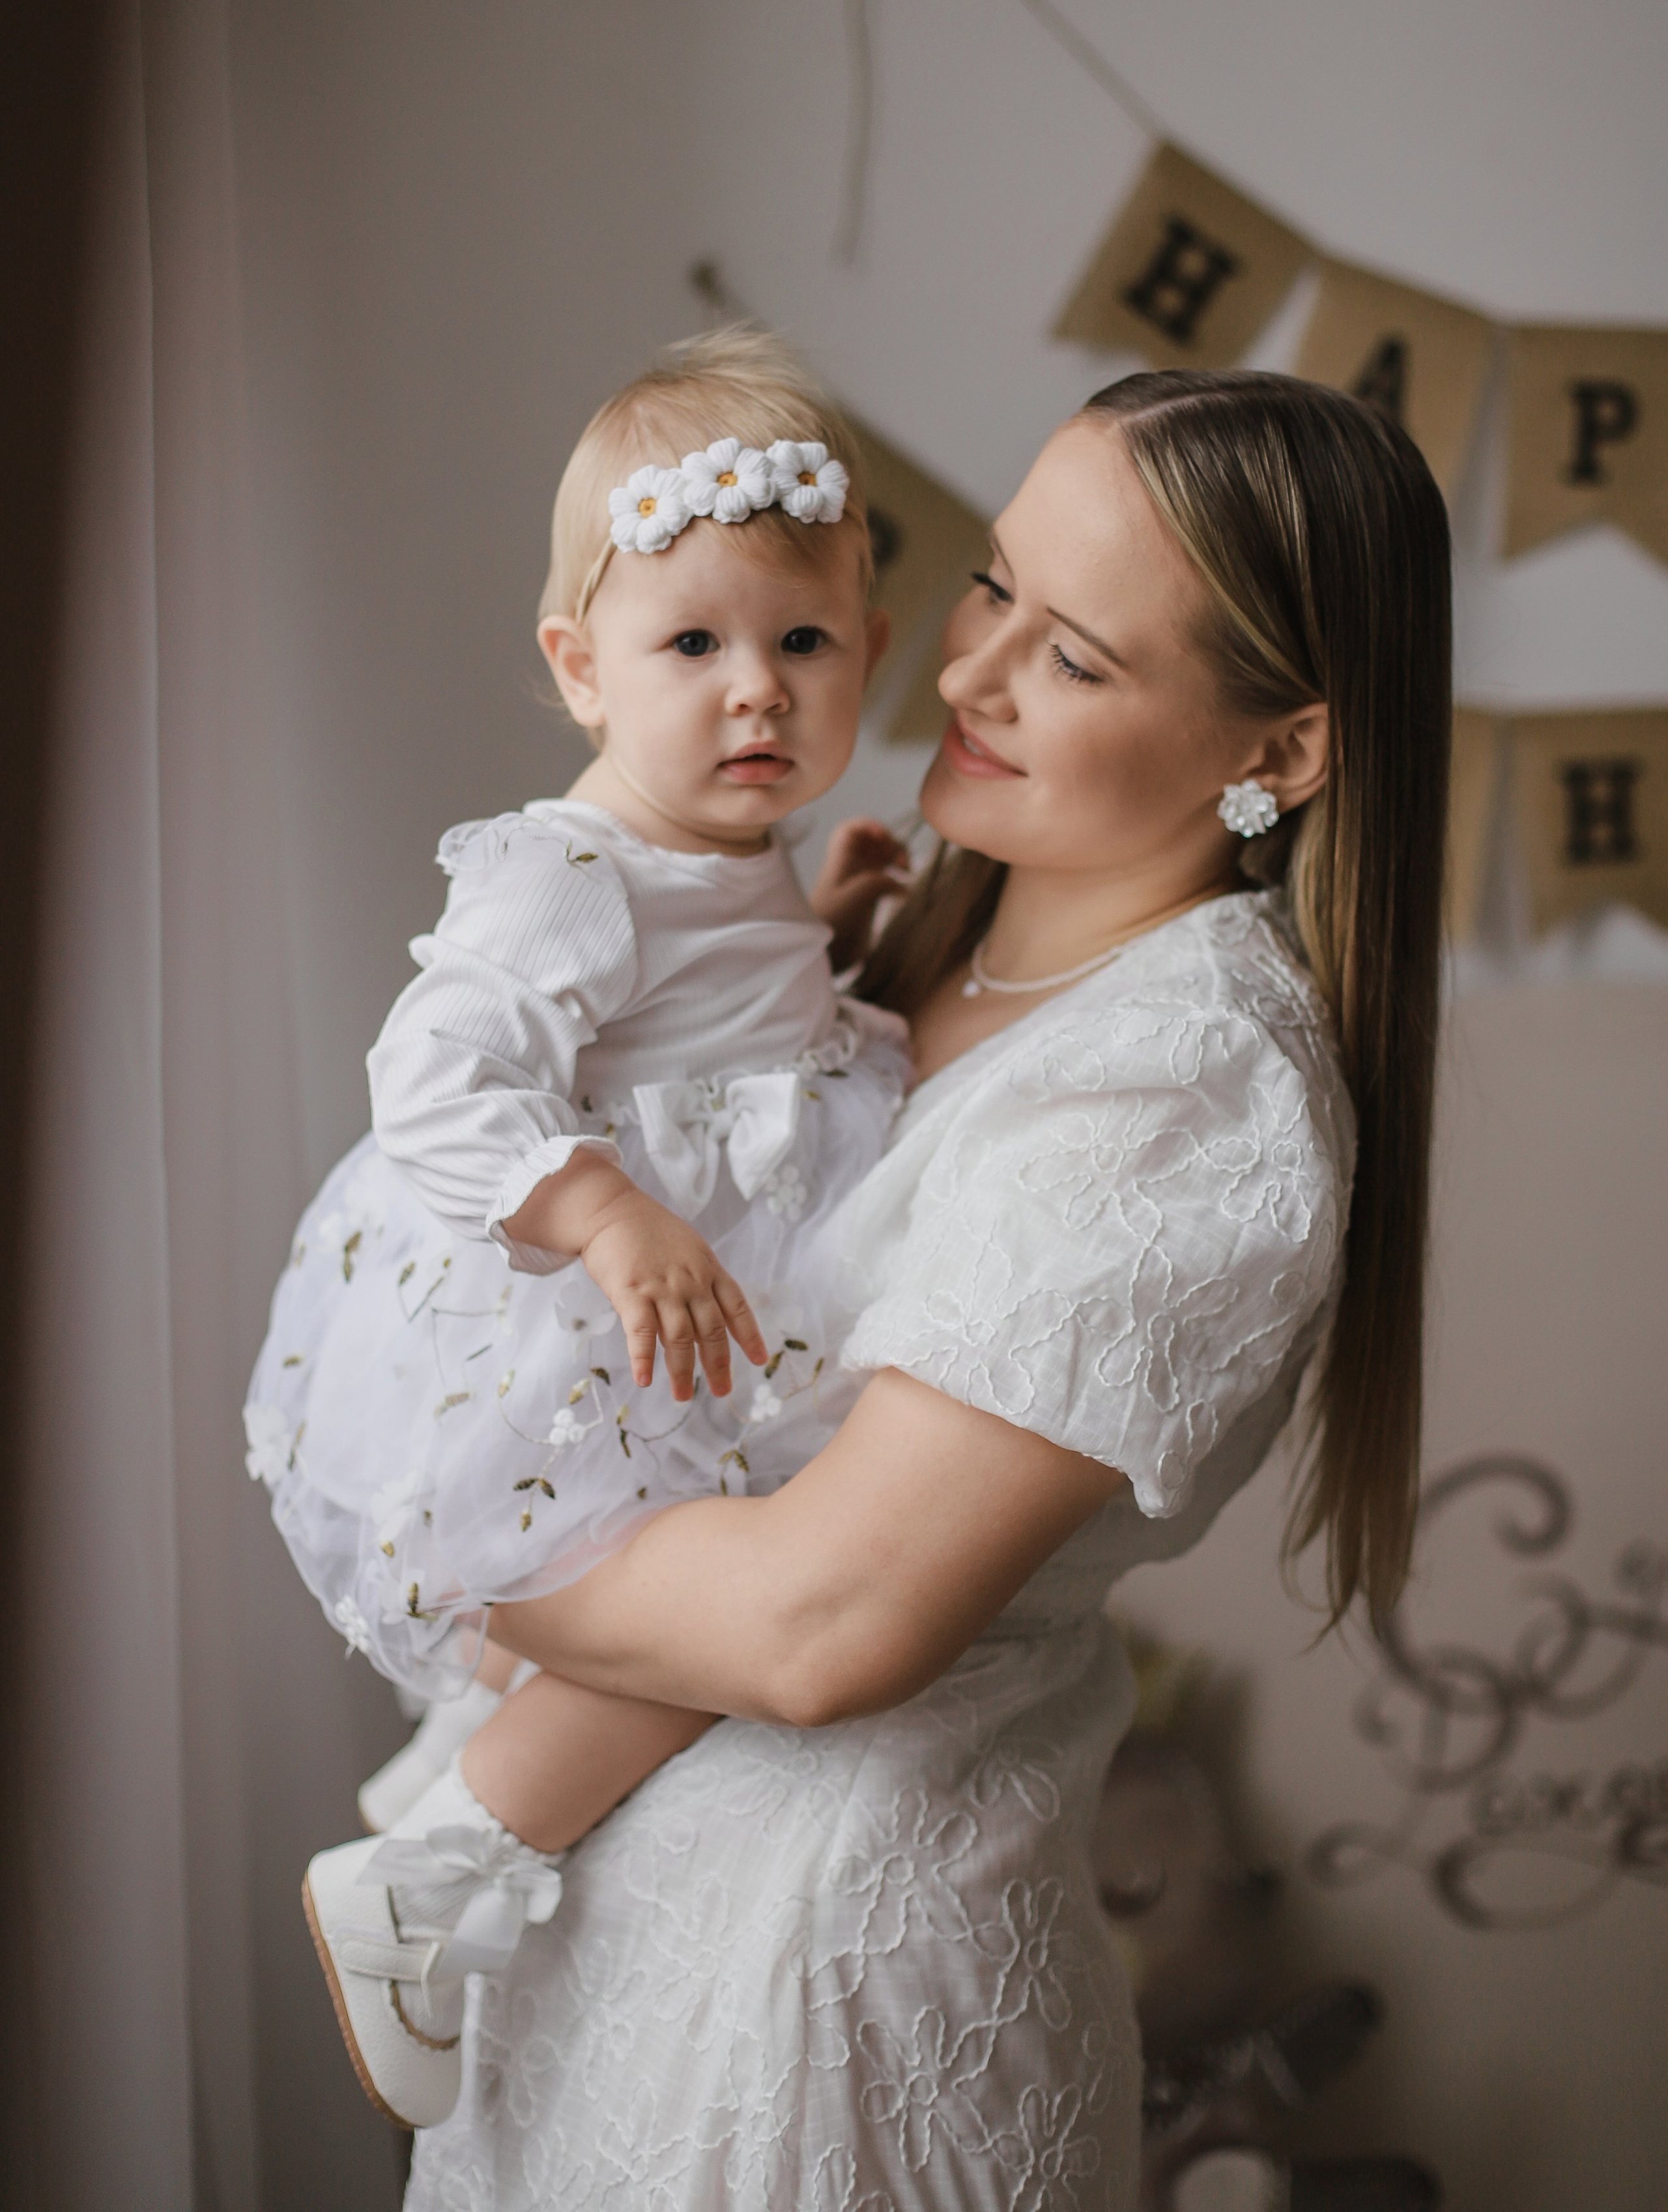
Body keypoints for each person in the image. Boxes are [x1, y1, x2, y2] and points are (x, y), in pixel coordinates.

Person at [404, 366, 1452, 2212]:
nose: (964, 676)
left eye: (1077, 658)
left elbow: (824, 1622)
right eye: (991, 586)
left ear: (1276, 754)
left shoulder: (1192, 1081)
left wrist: (440, 1542)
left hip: (830, 2013)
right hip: (617, 1960)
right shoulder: (912, 929)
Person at [245, 328, 919, 2126]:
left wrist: (829, 937)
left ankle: (457, 1769)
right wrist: (603, 1205)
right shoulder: (569, 869)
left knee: (684, 1587)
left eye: (804, 642)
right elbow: (439, 1079)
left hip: (691, 1308)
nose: (754, 692)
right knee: (706, 1622)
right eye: (690, 645)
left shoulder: (734, 849)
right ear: (582, 667)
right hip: (586, 1319)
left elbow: (728, 1034)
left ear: (870, 655)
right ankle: (435, 1874)